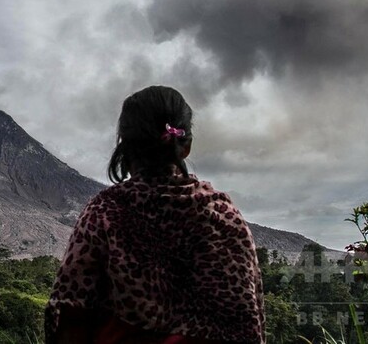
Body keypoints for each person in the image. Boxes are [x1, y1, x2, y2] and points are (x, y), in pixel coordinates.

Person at [45, 86, 265, 344]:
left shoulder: (105, 212)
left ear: (125, 148)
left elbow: (69, 311)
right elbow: (249, 320)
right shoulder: (225, 218)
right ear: (186, 147)